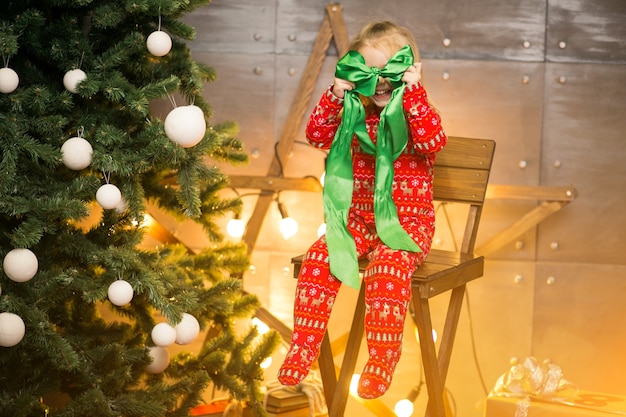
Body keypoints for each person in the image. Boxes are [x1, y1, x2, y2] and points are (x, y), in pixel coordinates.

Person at [277, 21, 447, 399]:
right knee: (321, 256)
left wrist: (415, 92)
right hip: (358, 223)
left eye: (389, 71)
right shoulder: (354, 113)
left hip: (406, 227)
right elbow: (317, 135)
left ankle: (382, 358)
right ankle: (304, 345)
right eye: (369, 72)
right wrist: (337, 93)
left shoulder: (417, 113)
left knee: (386, 270)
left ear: (408, 69)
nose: (381, 82)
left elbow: (434, 141)